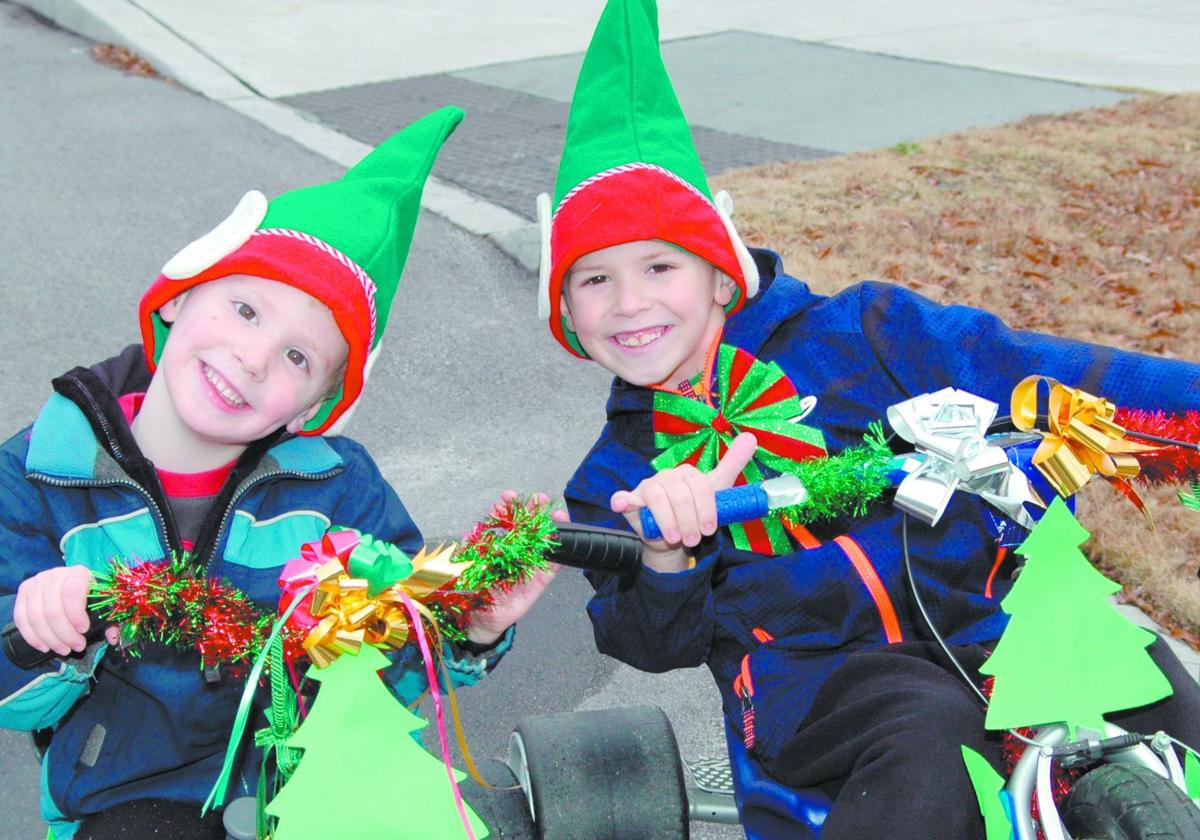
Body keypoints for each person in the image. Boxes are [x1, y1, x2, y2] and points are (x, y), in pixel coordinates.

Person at [538, 2, 1200, 837]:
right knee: (929, 728)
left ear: (721, 275)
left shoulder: (866, 333)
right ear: (564, 308)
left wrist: (1184, 407)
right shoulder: (615, 477)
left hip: (988, 618)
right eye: (593, 280)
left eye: (659, 265)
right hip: (813, 681)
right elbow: (650, 640)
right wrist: (668, 556)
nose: (629, 302)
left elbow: (1038, 371)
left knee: (1142, 673)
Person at [0, 106, 554, 840]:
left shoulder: (339, 489)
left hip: (321, 788)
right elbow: (14, 701)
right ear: (180, 294)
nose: (256, 357)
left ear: (320, 405)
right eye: (245, 308)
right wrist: (45, 631)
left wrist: (469, 631)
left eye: (300, 357)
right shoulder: (42, 472)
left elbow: (393, 669)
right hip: (132, 799)